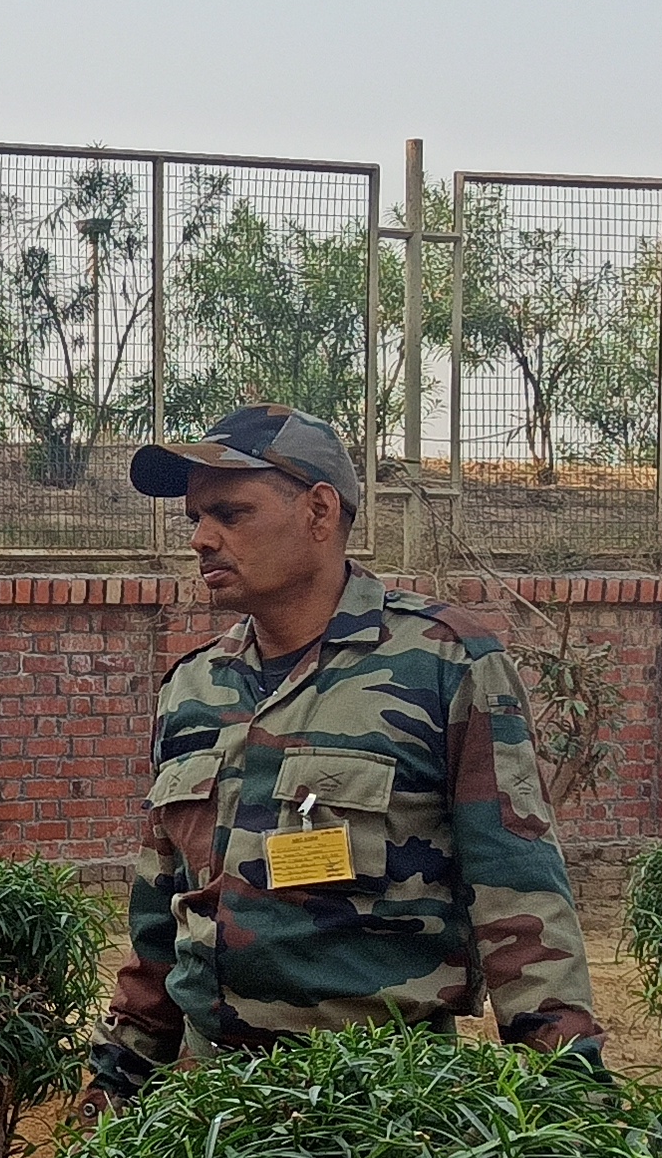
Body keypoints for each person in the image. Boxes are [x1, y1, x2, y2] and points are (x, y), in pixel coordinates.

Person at [85, 406, 600, 1112]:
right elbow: (160, 909)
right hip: (207, 1115)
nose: (203, 540)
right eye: (195, 519)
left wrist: (567, 1103)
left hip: (378, 1120)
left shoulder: (444, 663)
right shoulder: (194, 688)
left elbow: (519, 891)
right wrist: (119, 1074)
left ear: (319, 511)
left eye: (230, 513)